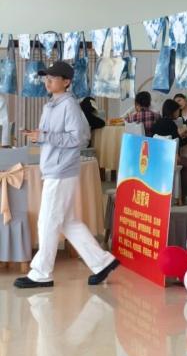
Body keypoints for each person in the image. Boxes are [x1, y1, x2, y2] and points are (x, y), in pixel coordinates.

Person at [14, 61, 119, 289]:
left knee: (48, 221)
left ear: (67, 82)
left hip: (61, 170)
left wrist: (44, 136)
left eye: (53, 78)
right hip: (54, 168)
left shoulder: (70, 106)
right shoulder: (51, 105)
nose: (48, 81)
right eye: (46, 77)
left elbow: (79, 138)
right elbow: (51, 136)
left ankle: (41, 273)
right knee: (68, 222)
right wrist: (38, 135)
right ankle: (102, 262)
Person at [152, 99, 187, 203]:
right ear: (173, 111)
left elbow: (172, 138)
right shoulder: (171, 123)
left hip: (158, 159)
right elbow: (178, 143)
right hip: (171, 159)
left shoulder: (158, 122)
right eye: (177, 111)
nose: (179, 113)